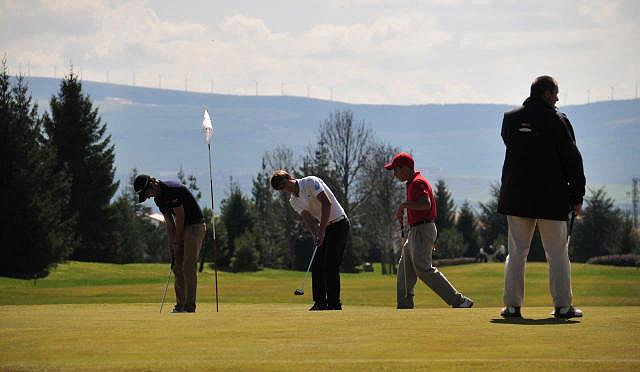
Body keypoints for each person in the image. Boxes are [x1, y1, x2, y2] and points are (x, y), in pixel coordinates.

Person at [498, 75, 586, 319]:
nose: (557, 98)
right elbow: (572, 159)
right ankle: (563, 306)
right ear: (546, 94)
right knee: (557, 253)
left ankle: (512, 306)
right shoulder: (558, 120)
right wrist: (577, 195)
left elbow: (511, 144)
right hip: (552, 198)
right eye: (555, 93)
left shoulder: (510, 119)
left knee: (516, 252)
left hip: (516, 197)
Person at [384, 152, 473, 309]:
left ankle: (459, 301)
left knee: (424, 270)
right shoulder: (412, 182)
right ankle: (404, 307)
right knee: (405, 270)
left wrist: (404, 206)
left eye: (396, 170)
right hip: (417, 230)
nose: (395, 174)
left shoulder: (417, 183)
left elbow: (426, 204)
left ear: (405, 168)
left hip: (422, 229)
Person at [270, 170, 350, 311]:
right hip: (325, 227)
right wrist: (315, 234)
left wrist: (322, 230)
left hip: (339, 223)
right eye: (281, 188)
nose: (285, 188)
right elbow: (308, 219)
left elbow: (327, 204)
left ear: (289, 178)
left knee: (330, 264)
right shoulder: (293, 201)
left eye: (284, 183)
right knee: (317, 265)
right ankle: (320, 303)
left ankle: (334, 304)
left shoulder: (310, 182)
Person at [134, 174, 206, 313]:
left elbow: (180, 216)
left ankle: (189, 306)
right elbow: (169, 224)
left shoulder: (172, 190)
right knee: (176, 266)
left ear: (152, 184)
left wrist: (177, 240)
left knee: (187, 266)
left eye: (147, 193)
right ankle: (180, 305)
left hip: (194, 226)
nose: (148, 196)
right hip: (182, 227)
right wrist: (172, 245)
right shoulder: (158, 199)